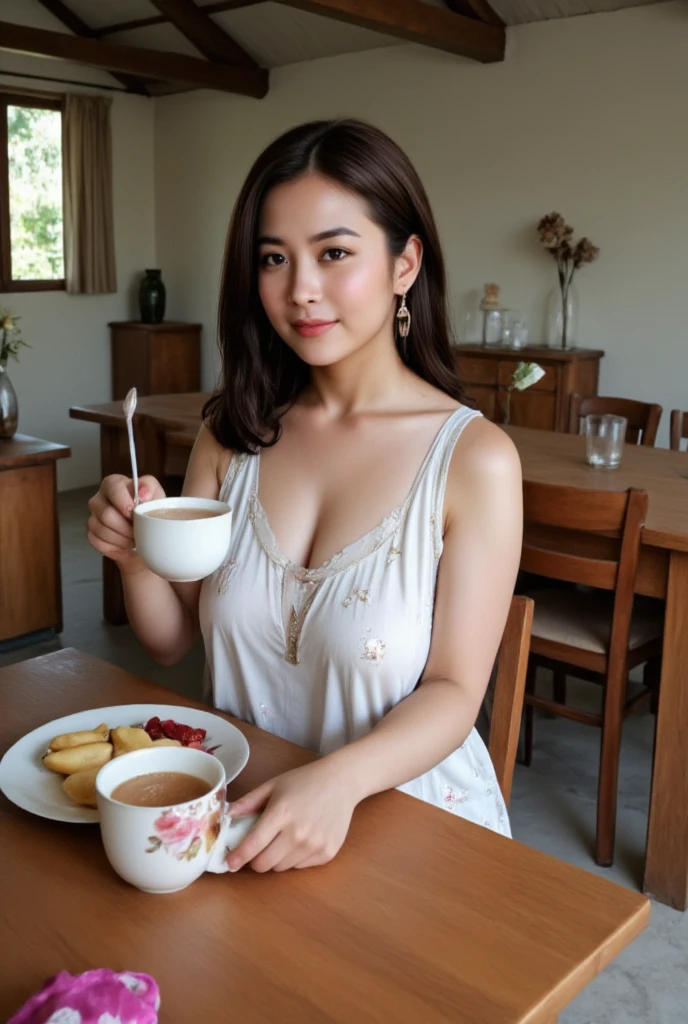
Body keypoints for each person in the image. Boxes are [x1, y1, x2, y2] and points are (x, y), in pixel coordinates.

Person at [87, 119, 523, 874]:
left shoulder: (474, 459)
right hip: (246, 820)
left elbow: (455, 689)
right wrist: (133, 559)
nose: (301, 291)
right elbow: (174, 637)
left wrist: (340, 781)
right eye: (274, 259)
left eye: (334, 253)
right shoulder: (233, 434)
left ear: (404, 263)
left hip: (412, 826)